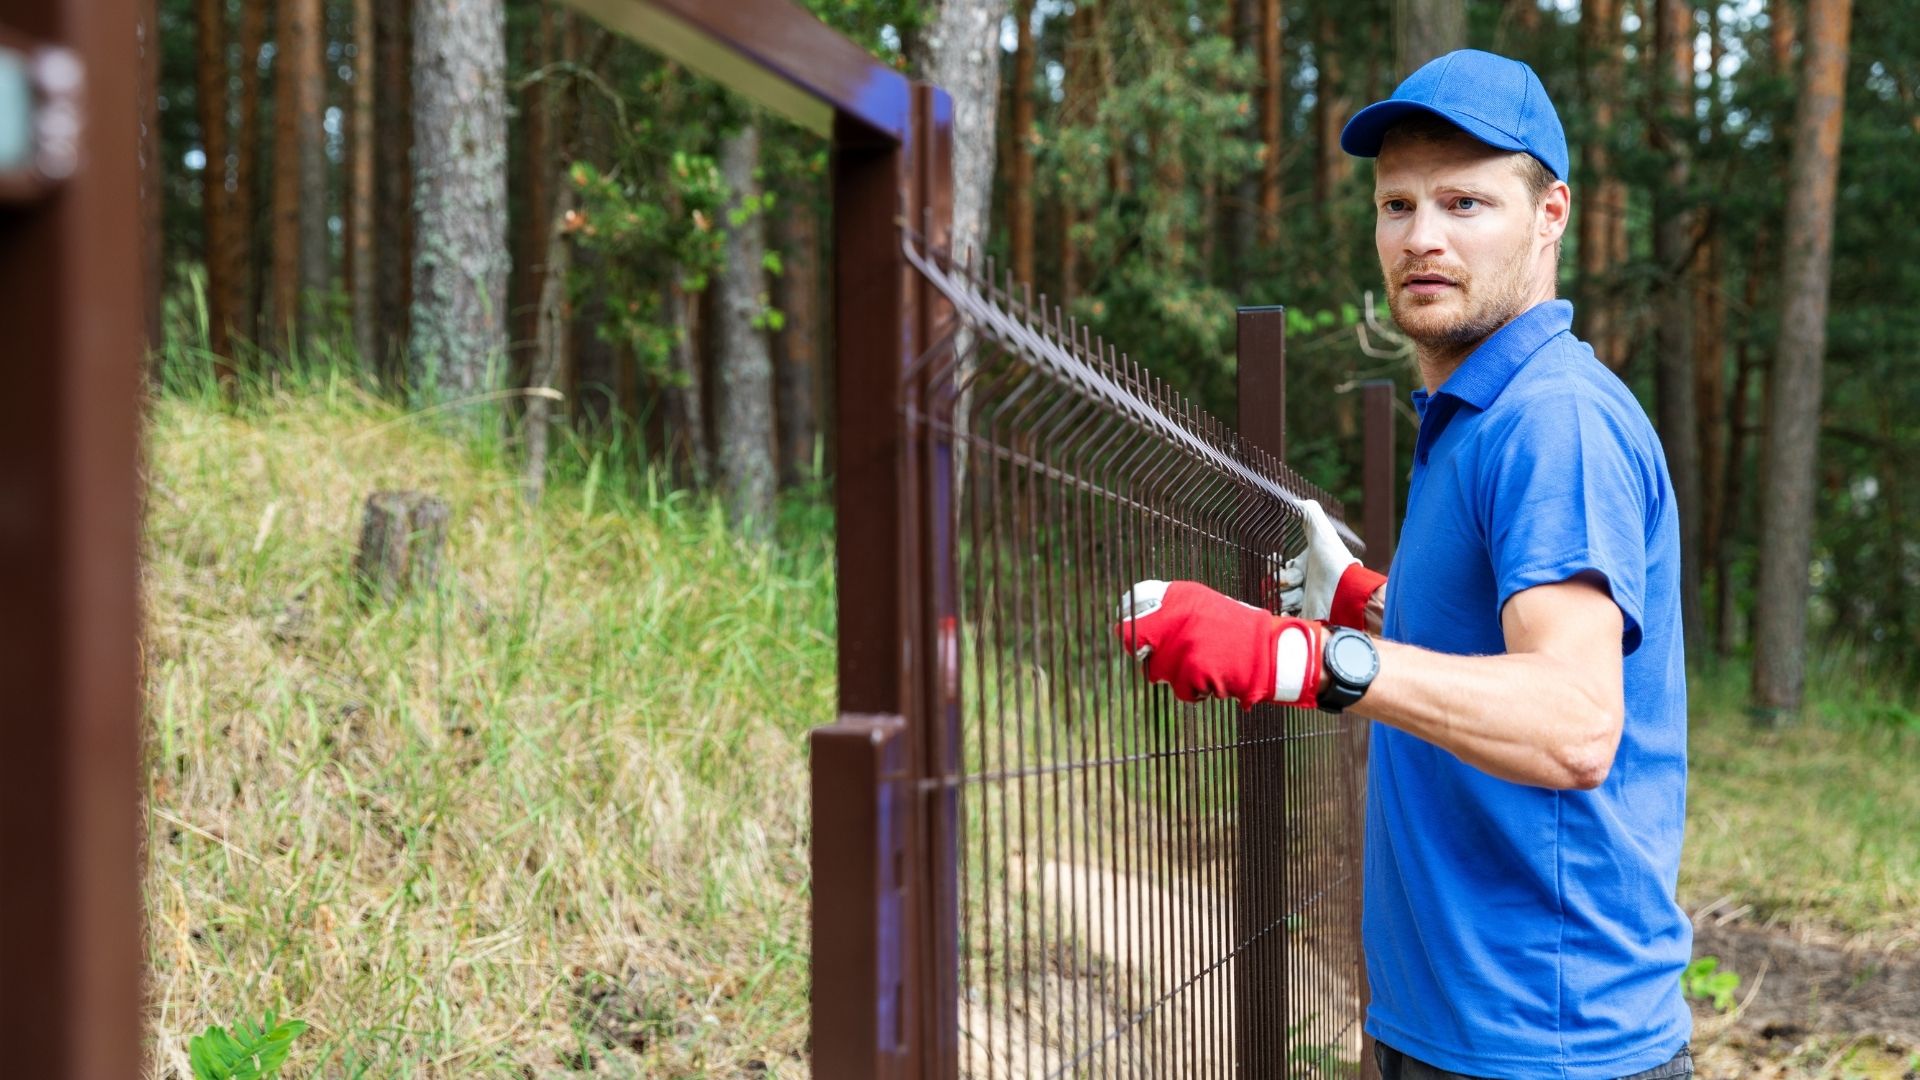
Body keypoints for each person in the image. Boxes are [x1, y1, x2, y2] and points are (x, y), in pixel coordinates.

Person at [1115, 50, 1692, 1080]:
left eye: (1466, 203)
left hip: (1547, 1044)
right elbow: (1509, 635)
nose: (1423, 237)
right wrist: (1377, 604)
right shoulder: (1476, 413)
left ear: (1551, 214)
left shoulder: (1552, 421)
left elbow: (1574, 722)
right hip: (1449, 1022)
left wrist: (1307, 655)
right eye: (1398, 205)